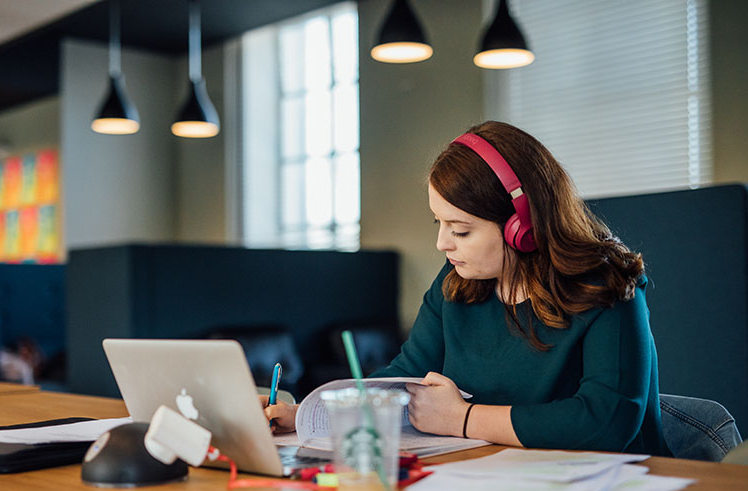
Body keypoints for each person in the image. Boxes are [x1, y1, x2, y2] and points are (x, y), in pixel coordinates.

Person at [262, 121, 669, 456]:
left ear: (522, 227)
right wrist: (311, 414)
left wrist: (461, 418)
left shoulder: (605, 284)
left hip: (613, 490)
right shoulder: (456, 284)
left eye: (461, 230)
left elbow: (607, 421)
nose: (443, 244)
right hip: (499, 483)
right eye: (438, 224)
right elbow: (403, 380)